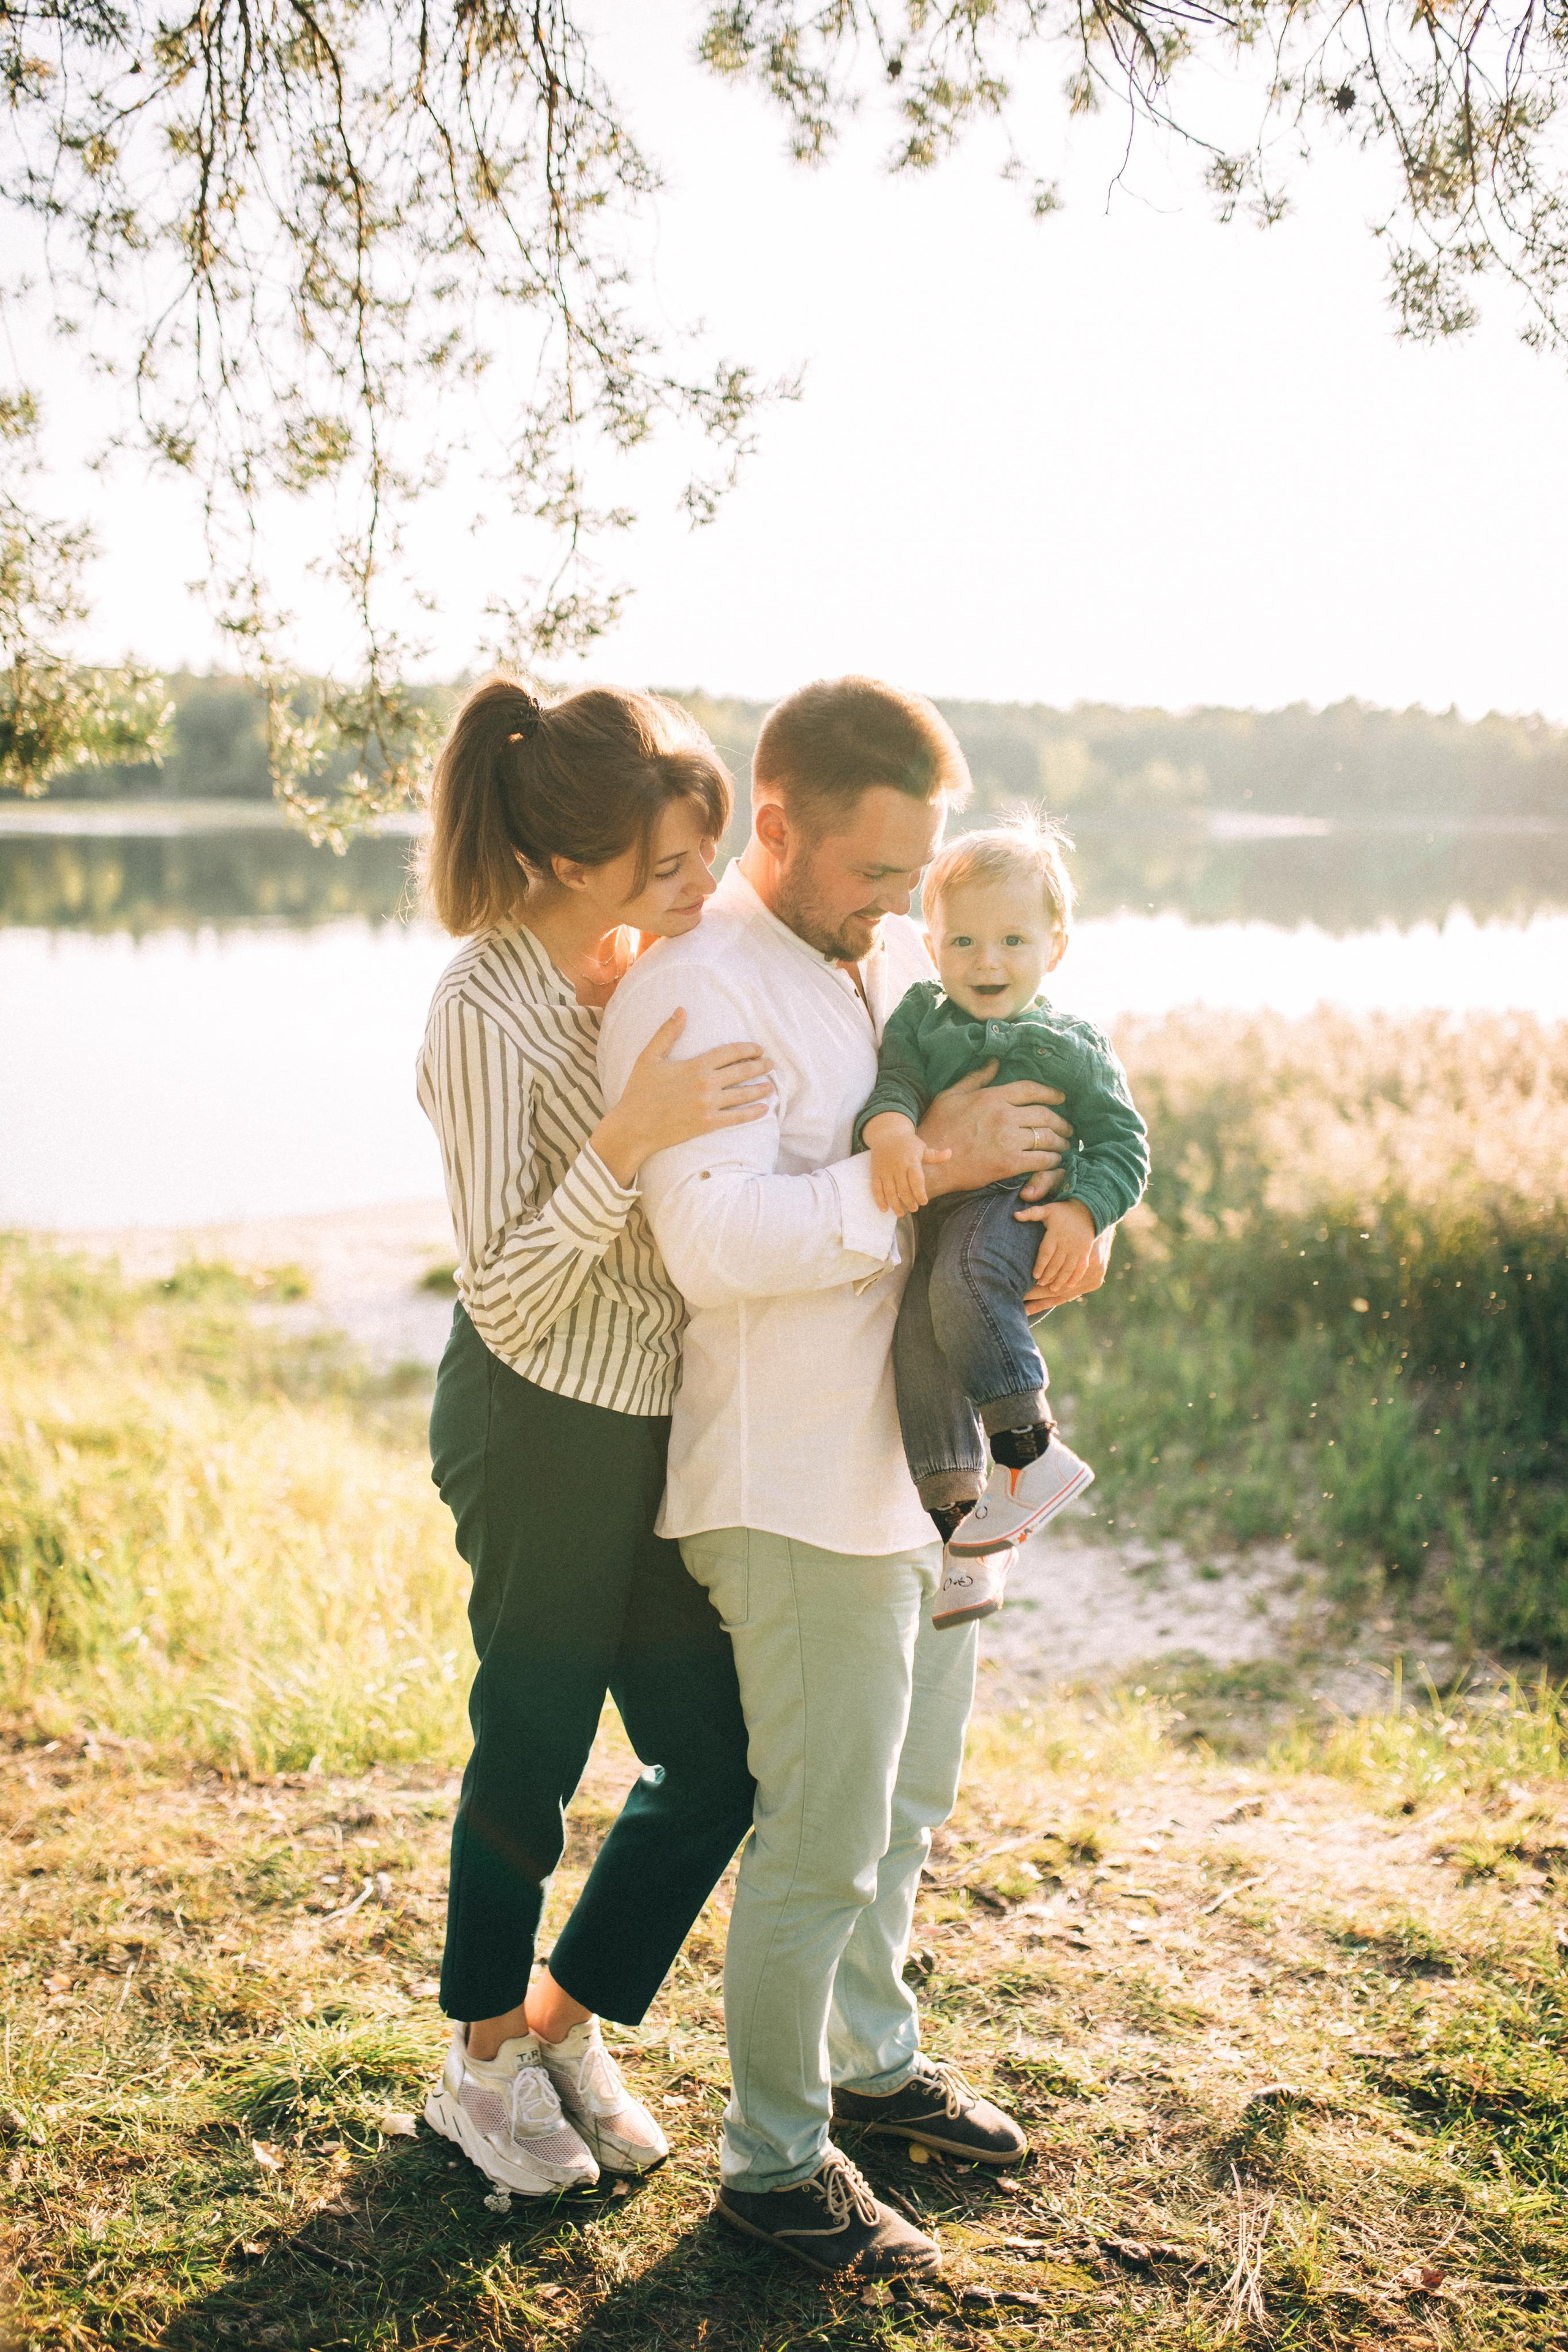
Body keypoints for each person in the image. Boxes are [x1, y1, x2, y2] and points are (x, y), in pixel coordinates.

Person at [598, 676, 1114, 2283]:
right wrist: (930, 1173)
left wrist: (1077, 1210)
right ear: (778, 828)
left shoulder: (898, 964)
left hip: (926, 1477)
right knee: (820, 1831)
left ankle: (875, 2074)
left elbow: (1034, 1110)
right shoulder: (698, 993)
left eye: (926, 872)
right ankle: (768, 2169)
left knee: (906, 1808)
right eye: (883, 873)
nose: (911, 906)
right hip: (793, 1486)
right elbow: (717, 1243)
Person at [414, 675, 770, 2198]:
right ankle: (480, 2060)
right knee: (534, 1747)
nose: (708, 888)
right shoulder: (482, 1008)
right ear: (567, 860)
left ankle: (560, 2018)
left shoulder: (613, 969)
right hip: (533, 1414)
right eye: (675, 864)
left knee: (716, 1758)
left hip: (640, 1420)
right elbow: (500, 1287)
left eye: (711, 853)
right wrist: (633, 1132)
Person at [855, 817, 1150, 1628]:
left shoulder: (1069, 1044)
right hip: (946, 1218)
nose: (987, 963)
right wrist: (889, 1133)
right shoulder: (920, 1017)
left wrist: (1086, 1215)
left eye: (1013, 941)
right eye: (964, 942)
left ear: (1055, 948)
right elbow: (895, 1088)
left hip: (1019, 1210)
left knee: (964, 1280)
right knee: (920, 1341)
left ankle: (1029, 1446)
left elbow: (1125, 1144)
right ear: (931, 940)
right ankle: (966, 1533)